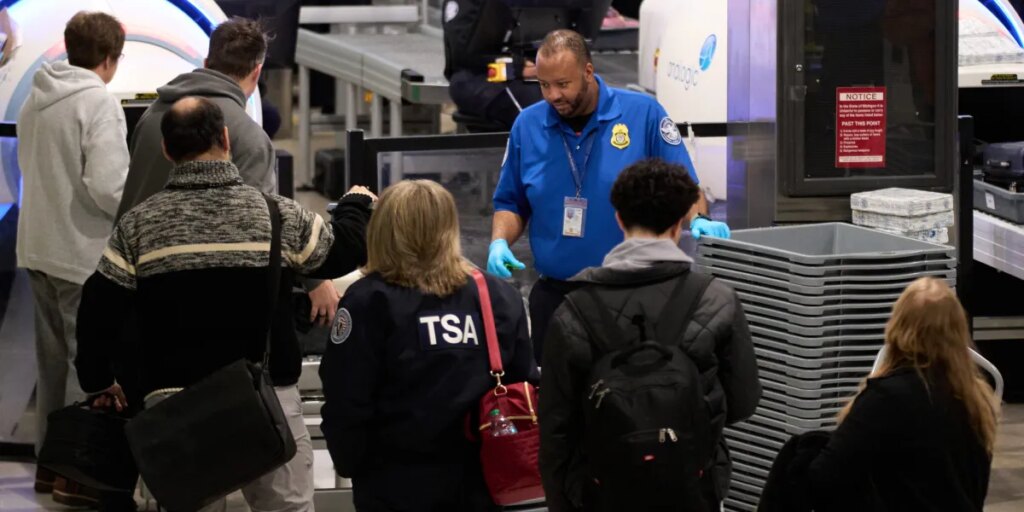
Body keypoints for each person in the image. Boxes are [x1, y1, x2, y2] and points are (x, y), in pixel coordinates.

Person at [75, 97, 375, 512]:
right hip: (267, 399)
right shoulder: (277, 215)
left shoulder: (138, 225)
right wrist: (355, 205)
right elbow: (343, 252)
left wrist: (97, 380)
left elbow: (97, 310)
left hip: (177, 407)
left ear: (166, 150)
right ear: (227, 139)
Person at [489, 29, 731, 361]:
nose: (553, 95)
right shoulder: (527, 126)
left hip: (630, 296)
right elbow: (510, 201)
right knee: (554, 391)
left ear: (588, 72)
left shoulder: (643, 114)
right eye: (544, 85)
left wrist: (699, 218)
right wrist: (499, 241)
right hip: (556, 296)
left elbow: (684, 185)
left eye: (563, 84)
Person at [537, 158, 759, 511]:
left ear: (618, 219)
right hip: (693, 487)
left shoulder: (573, 312)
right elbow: (743, 401)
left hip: (601, 492)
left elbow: (555, 430)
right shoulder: (716, 299)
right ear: (679, 223)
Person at [319, 180, 538, 511]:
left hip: (394, 484)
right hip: (483, 479)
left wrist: (350, 461)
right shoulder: (497, 295)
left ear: (383, 228)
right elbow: (523, 384)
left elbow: (346, 395)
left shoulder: (369, 301)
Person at [118, 17, 339, 339]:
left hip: (141, 293)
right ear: (257, 72)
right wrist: (316, 279)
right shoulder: (248, 136)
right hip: (202, 306)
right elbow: (264, 225)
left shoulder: (153, 116)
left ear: (207, 62)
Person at [15, 10, 128, 500]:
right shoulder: (98, 102)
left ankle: (48, 465)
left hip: (36, 246)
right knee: (89, 368)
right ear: (110, 58)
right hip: (80, 252)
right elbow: (108, 186)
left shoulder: (36, 96)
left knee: (52, 366)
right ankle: (76, 475)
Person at [804, 277, 999, 511]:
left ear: (897, 325)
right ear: (958, 332)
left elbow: (823, 476)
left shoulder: (887, 397)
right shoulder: (977, 399)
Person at [442, 0, 544, 129]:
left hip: (519, 71)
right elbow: (465, 58)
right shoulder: (466, 5)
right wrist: (516, 68)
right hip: (476, 79)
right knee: (540, 111)